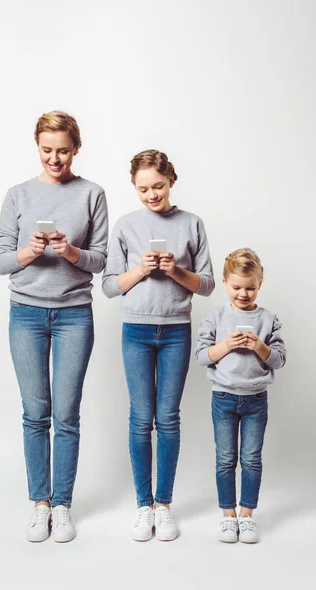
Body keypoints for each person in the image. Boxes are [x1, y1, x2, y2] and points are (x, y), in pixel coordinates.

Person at [0, 110, 108, 543]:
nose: (55, 159)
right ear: (36, 147)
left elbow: (102, 261)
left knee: (66, 413)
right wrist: (30, 251)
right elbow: (2, 260)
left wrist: (72, 251)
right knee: (35, 412)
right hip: (25, 313)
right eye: (47, 150)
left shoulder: (92, 194)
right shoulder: (18, 195)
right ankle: (39, 503)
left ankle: (62, 505)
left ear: (76, 148)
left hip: (75, 314)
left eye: (63, 150)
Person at [102, 149, 214, 541]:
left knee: (167, 419)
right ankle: (142, 506)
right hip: (136, 330)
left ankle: (163, 505)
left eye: (158, 187)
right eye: (143, 189)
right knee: (140, 417)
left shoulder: (191, 223)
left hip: (176, 331)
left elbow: (208, 285)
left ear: (171, 181)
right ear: (134, 188)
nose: (151, 195)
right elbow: (109, 286)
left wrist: (176, 270)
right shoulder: (126, 225)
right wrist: (141, 269)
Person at [195, 248, 286, 543]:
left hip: (256, 400)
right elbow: (202, 356)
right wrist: (226, 346)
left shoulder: (268, 319)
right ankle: (227, 515)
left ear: (260, 284)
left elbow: (280, 359)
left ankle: (246, 515)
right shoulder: (216, 317)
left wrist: (260, 346)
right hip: (223, 398)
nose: (243, 294)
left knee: (251, 459)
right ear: (224, 283)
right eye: (236, 287)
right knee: (225, 459)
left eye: (250, 287)